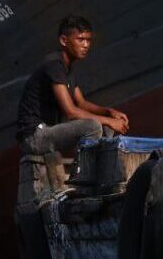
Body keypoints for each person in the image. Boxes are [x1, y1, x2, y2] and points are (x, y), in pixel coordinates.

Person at [15, 15, 129, 156]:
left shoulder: (67, 69)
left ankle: (101, 165)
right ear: (64, 40)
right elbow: (71, 112)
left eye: (88, 40)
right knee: (93, 126)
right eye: (80, 39)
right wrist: (109, 121)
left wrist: (109, 112)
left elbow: (81, 103)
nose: (86, 45)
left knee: (106, 126)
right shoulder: (54, 64)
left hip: (49, 130)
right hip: (34, 136)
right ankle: (85, 168)